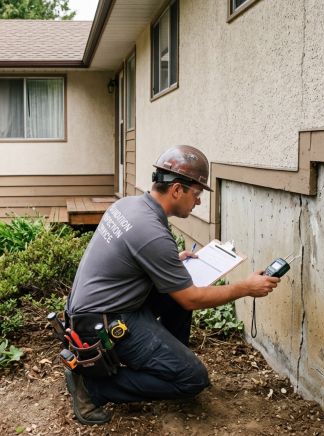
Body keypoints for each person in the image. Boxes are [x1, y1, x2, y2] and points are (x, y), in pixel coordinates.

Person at [63, 145, 280, 425]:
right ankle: (93, 388)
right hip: (102, 325)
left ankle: (165, 363)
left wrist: (170, 261)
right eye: (197, 194)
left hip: (95, 310)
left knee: (176, 298)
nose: (198, 202)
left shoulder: (129, 206)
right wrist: (246, 288)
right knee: (193, 379)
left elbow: (132, 257)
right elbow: (191, 298)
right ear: (177, 190)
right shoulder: (151, 231)